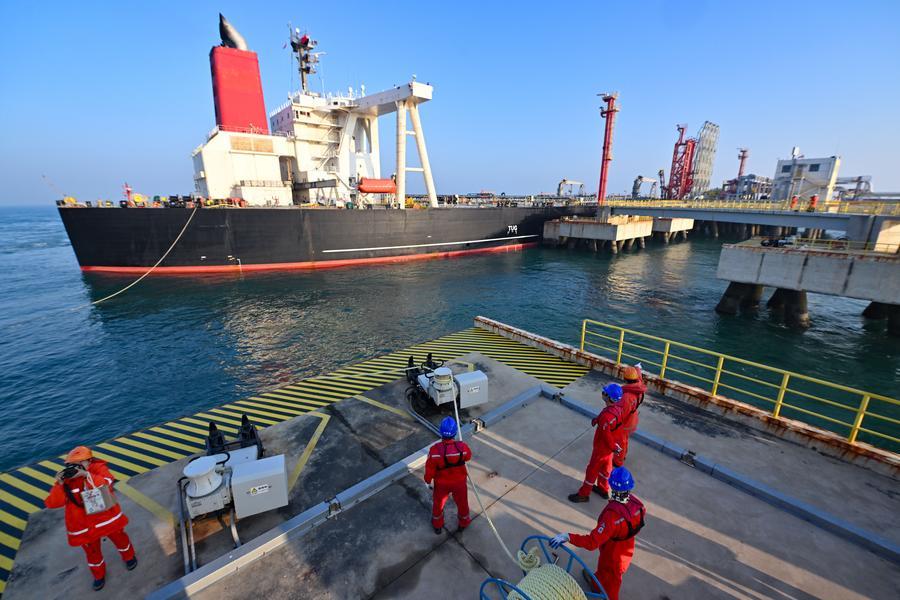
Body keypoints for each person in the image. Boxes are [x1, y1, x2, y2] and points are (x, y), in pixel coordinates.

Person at [44, 446, 137, 591]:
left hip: (106, 518)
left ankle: (129, 557)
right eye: (71, 464)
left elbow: (107, 483)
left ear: (90, 461)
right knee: (92, 553)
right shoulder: (67, 480)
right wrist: (59, 485)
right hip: (84, 527)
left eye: (80, 463)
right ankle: (99, 575)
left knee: (120, 538)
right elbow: (53, 503)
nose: (75, 467)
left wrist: (87, 475)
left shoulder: (98, 469)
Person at [550, 467, 646, 600]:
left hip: (613, 555)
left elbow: (592, 542)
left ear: (613, 486)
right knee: (604, 571)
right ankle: (596, 583)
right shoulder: (638, 505)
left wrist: (568, 536)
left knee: (613, 583)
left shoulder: (611, 517)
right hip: (626, 548)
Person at [568, 383, 626, 503]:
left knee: (592, 470)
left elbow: (606, 435)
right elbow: (613, 425)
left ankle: (584, 494)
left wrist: (612, 446)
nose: (603, 394)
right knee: (606, 469)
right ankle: (603, 489)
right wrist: (597, 420)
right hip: (609, 450)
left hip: (602, 449)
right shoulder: (617, 410)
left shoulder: (606, 417)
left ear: (609, 398)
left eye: (605, 393)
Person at [424, 416, 472, 533]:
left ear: (441, 432)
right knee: (463, 504)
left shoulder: (435, 451)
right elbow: (468, 456)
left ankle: (438, 525)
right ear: (455, 432)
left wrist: (427, 480)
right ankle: (463, 523)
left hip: (442, 485)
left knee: (438, 504)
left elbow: (429, 469)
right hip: (459, 483)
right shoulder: (462, 447)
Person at [619, 363, 647, 465]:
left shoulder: (627, 397)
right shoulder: (638, 387)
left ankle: (618, 460)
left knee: (620, 441)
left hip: (626, 422)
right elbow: (639, 377)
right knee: (625, 439)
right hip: (632, 418)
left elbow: (623, 413)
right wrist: (637, 368)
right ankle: (623, 455)